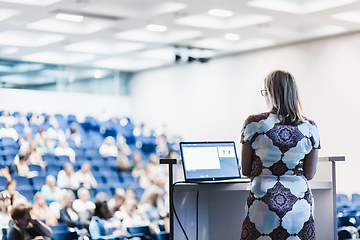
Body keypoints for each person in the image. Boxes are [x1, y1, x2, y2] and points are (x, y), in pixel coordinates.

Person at [240, 70, 320, 240]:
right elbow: (310, 174)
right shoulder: (310, 127)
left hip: (263, 199)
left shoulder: (254, 123)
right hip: (299, 202)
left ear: (271, 93)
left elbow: (245, 170)